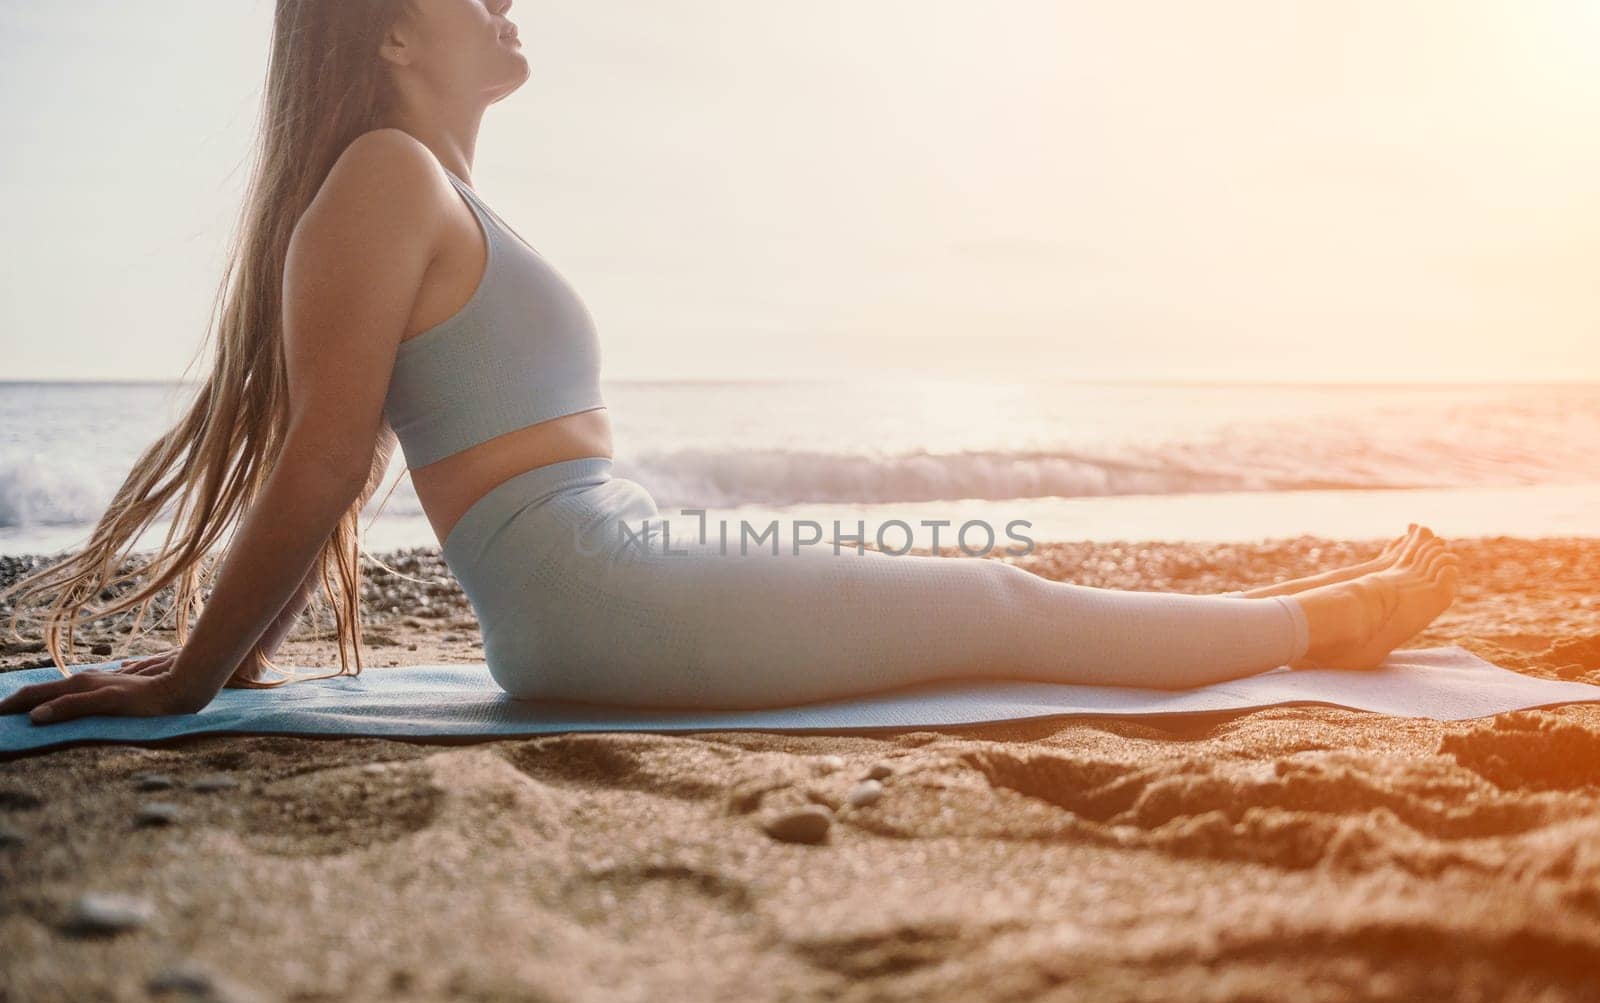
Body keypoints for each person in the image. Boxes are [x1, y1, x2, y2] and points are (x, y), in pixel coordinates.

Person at [0, 0, 1459, 725]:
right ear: (389, 38)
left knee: (971, 587)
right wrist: (197, 678)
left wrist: (231, 657)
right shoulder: (384, 176)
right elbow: (327, 451)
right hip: (589, 592)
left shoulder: (419, 188)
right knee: (997, 596)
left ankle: (1310, 615)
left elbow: (345, 444)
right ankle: (1332, 622)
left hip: (616, 559)